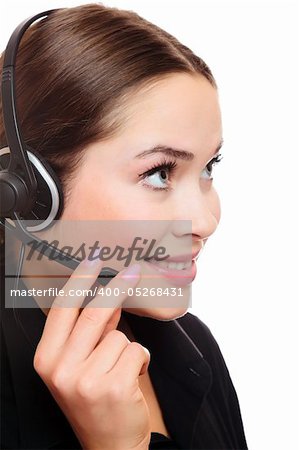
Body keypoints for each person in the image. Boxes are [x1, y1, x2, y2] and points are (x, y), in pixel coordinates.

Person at [0, 3, 248, 449]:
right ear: (32, 189)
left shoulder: (194, 347)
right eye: (159, 172)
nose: (207, 220)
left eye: (209, 167)